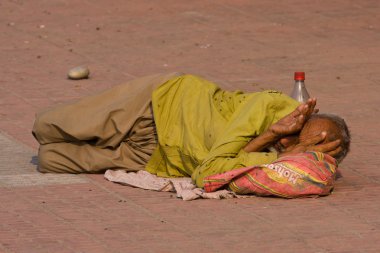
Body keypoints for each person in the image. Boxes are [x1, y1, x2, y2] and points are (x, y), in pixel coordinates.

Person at [32, 73, 350, 188]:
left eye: (296, 145)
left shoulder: (279, 166)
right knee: (48, 127)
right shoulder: (271, 106)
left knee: (51, 159)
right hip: (162, 105)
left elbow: (206, 171)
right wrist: (271, 135)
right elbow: (214, 165)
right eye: (297, 129)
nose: (286, 138)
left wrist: (275, 146)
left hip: (160, 157)